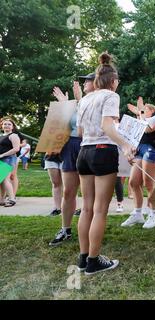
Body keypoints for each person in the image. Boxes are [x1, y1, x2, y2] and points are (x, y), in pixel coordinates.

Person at [75, 52, 135, 275]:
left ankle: (83, 258)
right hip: (102, 152)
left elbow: (81, 131)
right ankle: (93, 261)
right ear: (112, 81)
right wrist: (126, 146)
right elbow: (108, 126)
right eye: (117, 81)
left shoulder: (85, 99)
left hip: (84, 152)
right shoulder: (111, 96)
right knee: (100, 210)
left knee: (87, 208)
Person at [49, 73, 95, 246]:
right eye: (83, 82)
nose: (84, 84)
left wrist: (78, 100)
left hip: (88, 145)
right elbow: (59, 126)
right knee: (68, 191)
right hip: (70, 146)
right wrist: (64, 107)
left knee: (88, 193)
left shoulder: (98, 101)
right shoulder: (74, 104)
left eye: (88, 81)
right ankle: (65, 229)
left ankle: (90, 230)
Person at [120, 100, 155, 229]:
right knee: (133, 182)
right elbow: (135, 135)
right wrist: (132, 148)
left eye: (146, 109)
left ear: (152, 110)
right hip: (140, 149)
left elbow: (147, 130)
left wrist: (140, 114)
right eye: (142, 109)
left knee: (148, 183)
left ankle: (153, 215)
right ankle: (138, 213)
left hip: (153, 150)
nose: (143, 111)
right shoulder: (141, 119)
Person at [0, 118, 20, 207]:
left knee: (5, 179)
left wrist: (3, 155)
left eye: (9, 124)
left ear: (12, 127)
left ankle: (12, 199)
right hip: (2, 159)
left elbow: (16, 149)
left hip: (8, 159)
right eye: (5, 124)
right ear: (2, 126)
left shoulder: (13, 136)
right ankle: (2, 200)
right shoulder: (1, 136)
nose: (6, 126)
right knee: (1, 180)